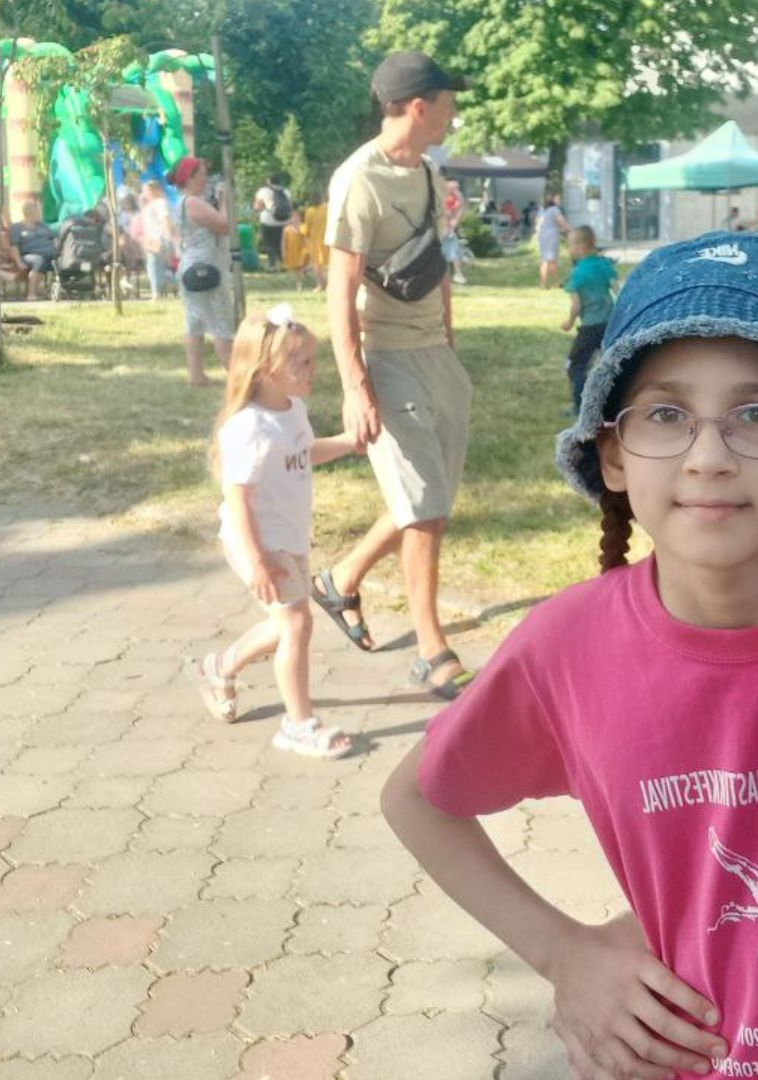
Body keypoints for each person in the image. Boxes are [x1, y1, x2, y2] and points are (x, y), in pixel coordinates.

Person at [382, 230, 758, 1080]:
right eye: (665, 415)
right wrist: (564, 954)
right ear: (613, 452)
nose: (708, 458)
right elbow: (416, 800)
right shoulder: (568, 647)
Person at [320, 50, 476, 698]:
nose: (453, 111)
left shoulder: (429, 171)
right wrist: (356, 386)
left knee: (428, 500)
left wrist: (448, 346)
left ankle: (340, 580)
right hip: (385, 355)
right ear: (419, 107)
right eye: (447, 101)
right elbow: (340, 290)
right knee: (425, 507)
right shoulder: (359, 180)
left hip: (435, 355)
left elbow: (436, 263)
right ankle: (430, 649)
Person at [187, 305, 358, 758]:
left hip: (288, 536)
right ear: (266, 369)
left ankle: (219, 668)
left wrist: (348, 443)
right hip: (257, 542)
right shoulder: (249, 428)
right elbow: (239, 502)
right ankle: (298, 725)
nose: (313, 369)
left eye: (312, 359)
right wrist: (259, 560)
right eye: (301, 362)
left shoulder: (293, 409)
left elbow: (305, 452)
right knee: (297, 622)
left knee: (286, 623)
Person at [173, 156, 236, 386]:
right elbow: (224, 226)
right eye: (201, 175)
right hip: (206, 267)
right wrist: (224, 200)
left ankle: (196, 375)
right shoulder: (192, 203)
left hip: (190, 266)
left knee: (195, 323)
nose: (206, 179)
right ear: (189, 178)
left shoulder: (181, 202)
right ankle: (237, 378)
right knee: (222, 324)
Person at [558, 224, 614, 415]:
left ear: (580, 247)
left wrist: (569, 323)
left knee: (576, 366)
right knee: (610, 364)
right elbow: (617, 290)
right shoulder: (604, 265)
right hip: (609, 324)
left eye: (570, 245)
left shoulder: (578, 273)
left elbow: (576, 305)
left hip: (590, 327)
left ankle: (580, 407)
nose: (569, 249)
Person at [136, 178, 178, 299]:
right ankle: (160, 290)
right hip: (153, 239)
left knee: (154, 266)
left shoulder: (160, 202)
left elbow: (165, 219)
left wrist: (169, 237)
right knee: (156, 266)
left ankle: (157, 292)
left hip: (159, 238)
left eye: (147, 191)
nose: (144, 194)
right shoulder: (150, 205)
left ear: (155, 190)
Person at [9, 198, 56, 301]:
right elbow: (14, 247)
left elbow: (53, 239)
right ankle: (31, 293)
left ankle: (54, 290)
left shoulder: (43, 226)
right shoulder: (17, 227)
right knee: (38, 260)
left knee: (57, 260)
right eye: (38, 210)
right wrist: (19, 262)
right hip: (28, 255)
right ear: (30, 211)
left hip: (48, 254)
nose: (40, 213)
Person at [254, 173, 291, 272]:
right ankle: (283, 264)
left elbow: (258, 207)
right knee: (281, 244)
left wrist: (258, 209)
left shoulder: (263, 191)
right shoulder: (286, 191)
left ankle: (272, 266)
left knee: (269, 244)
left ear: (269, 181)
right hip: (283, 221)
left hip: (267, 221)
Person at [281, 208, 323, 292]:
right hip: (292, 251)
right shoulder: (286, 229)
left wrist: (310, 248)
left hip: (302, 250)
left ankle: (305, 271)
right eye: (292, 217)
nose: (294, 219)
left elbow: (306, 239)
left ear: (300, 218)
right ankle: (299, 283)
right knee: (296, 269)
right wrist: (283, 251)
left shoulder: (303, 227)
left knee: (302, 265)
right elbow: (283, 241)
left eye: (296, 217)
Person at [537, 190, 569, 290]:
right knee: (551, 260)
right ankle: (553, 283)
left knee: (545, 260)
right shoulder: (555, 210)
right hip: (552, 236)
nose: (559, 201)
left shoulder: (542, 209)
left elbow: (538, 223)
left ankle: (545, 283)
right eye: (558, 199)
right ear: (553, 199)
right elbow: (562, 222)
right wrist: (569, 230)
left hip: (542, 236)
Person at [443, 179, 468, 286]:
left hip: (449, 231)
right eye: (454, 187)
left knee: (454, 252)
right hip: (441, 229)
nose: (456, 190)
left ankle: (458, 274)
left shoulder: (454, 199)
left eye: (458, 188)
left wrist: (461, 200)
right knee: (443, 253)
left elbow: (458, 212)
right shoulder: (441, 196)